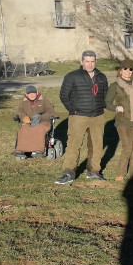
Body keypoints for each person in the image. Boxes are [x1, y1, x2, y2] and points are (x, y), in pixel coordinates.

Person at [56, 50, 109, 184]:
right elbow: (63, 96)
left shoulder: (102, 77)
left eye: (92, 61)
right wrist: (73, 110)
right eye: (87, 61)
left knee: (97, 145)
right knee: (74, 145)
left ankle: (94, 171)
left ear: (95, 62)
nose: (90, 64)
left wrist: (102, 107)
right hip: (78, 116)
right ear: (82, 62)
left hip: (97, 116)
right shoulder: (72, 76)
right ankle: (69, 173)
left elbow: (105, 95)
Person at [105, 59, 133, 181]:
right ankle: (120, 173)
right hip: (123, 122)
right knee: (127, 148)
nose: (128, 71)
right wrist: (116, 108)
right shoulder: (115, 86)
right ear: (120, 71)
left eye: (130, 69)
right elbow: (107, 103)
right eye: (125, 69)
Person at [14, 85, 55, 159]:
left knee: (39, 129)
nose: (32, 95)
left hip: (43, 122)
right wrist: (23, 117)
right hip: (29, 122)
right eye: (29, 93)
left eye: (33, 93)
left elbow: (51, 112)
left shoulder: (44, 100)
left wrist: (40, 117)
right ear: (26, 94)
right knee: (23, 129)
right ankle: (20, 150)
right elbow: (19, 111)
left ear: (36, 92)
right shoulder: (23, 102)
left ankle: (39, 150)